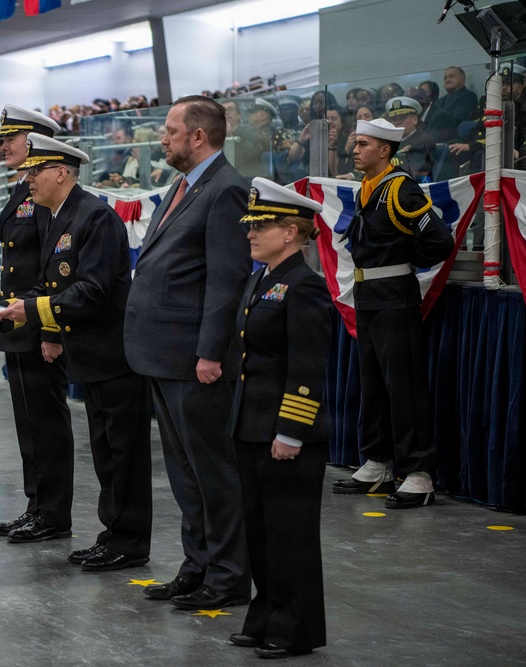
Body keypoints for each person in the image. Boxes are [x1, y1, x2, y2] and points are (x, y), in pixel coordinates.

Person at [0, 134, 153, 572]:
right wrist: (28, 314)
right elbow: (54, 284)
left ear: (61, 172)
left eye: (35, 171)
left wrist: (30, 310)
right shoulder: (57, 217)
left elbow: (93, 290)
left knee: (124, 453)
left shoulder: (95, 217)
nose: (28, 180)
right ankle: (114, 534)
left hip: (114, 354)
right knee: (106, 451)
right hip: (90, 356)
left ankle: (129, 540)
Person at [123, 95, 252, 608]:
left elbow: (227, 281)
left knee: (211, 473)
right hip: (163, 355)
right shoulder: (183, 187)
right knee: (183, 471)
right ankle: (197, 564)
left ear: (198, 136)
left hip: (195, 360)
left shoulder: (225, 191)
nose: (164, 138)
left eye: (171, 130)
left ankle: (227, 576)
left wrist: (210, 352)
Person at [227, 178, 333, 659]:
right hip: (253, 426)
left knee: (290, 536)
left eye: (261, 225)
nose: (251, 233)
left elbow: (307, 368)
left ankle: (295, 627)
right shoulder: (263, 278)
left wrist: (291, 430)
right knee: (261, 532)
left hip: (286, 432)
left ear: (291, 231)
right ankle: (265, 613)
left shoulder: (305, 286)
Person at [332, 118, 454, 509]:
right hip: (369, 294)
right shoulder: (370, 188)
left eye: (363, 144)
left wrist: (407, 264)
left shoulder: (401, 189)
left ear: (385, 150)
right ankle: (378, 461)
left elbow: (439, 239)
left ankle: (418, 473)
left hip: (394, 294)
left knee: (404, 386)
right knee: (373, 383)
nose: (355, 149)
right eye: (356, 143)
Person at [0, 105, 75, 543]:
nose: (4, 146)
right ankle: (36, 505)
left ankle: (53, 514)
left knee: (46, 423)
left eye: (11, 138)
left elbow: (55, 266)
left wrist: (52, 330)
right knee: (28, 423)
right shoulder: (23, 189)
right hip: (18, 321)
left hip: (39, 324)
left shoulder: (44, 194)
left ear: (36, 141)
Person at [385, 96, 436, 181]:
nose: (397, 122)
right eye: (394, 119)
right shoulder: (391, 141)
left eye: (402, 118)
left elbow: (416, 169)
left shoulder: (424, 140)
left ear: (415, 120)